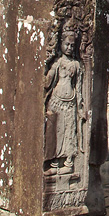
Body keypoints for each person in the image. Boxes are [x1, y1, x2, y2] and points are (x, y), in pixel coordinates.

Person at [44, 28, 85, 176]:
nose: (69, 48)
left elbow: (78, 87)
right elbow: (47, 82)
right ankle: (54, 162)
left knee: (69, 131)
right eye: (67, 44)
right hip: (56, 100)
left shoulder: (76, 64)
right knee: (55, 132)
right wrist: (45, 63)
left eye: (72, 45)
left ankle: (68, 162)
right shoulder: (58, 63)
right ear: (61, 44)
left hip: (70, 102)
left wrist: (80, 107)